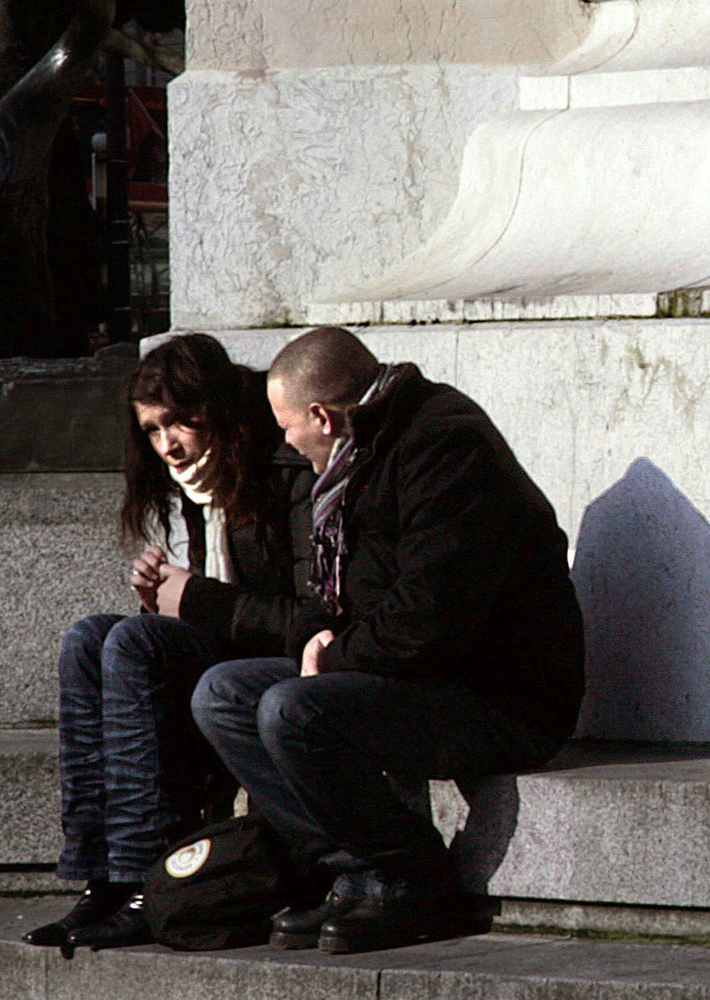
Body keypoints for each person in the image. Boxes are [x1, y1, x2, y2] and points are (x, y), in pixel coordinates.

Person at [191, 327, 585, 956]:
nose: (285, 441)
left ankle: (417, 882)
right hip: (417, 677)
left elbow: (431, 617)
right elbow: (353, 596)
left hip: (499, 700)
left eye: (287, 425)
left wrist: (332, 656)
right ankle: (353, 869)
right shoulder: (359, 455)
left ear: (321, 415)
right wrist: (319, 636)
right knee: (223, 694)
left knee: (293, 709)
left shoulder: (444, 444)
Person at [25, 332, 321, 951]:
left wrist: (193, 601)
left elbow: (310, 616)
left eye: (179, 425)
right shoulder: (182, 486)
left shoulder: (285, 469)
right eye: (153, 432)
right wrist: (160, 600)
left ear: (215, 411)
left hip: (285, 662)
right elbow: (201, 610)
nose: (169, 447)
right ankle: (100, 875)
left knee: (134, 645)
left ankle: (143, 877)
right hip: (227, 645)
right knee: (89, 639)